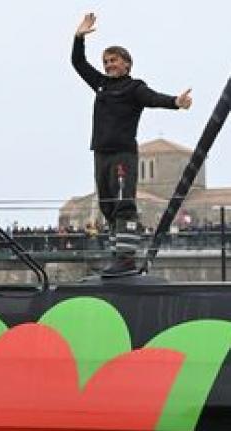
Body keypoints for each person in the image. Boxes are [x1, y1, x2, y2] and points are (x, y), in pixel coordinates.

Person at [72, 13, 192, 276]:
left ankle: (127, 258)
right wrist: (79, 37)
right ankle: (117, 255)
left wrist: (175, 102)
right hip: (100, 153)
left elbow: (152, 98)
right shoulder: (101, 85)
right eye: (105, 61)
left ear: (126, 64)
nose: (108, 65)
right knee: (107, 205)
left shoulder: (134, 87)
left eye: (113, 61)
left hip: (122, 154)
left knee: (124, 203)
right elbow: (79, 64)